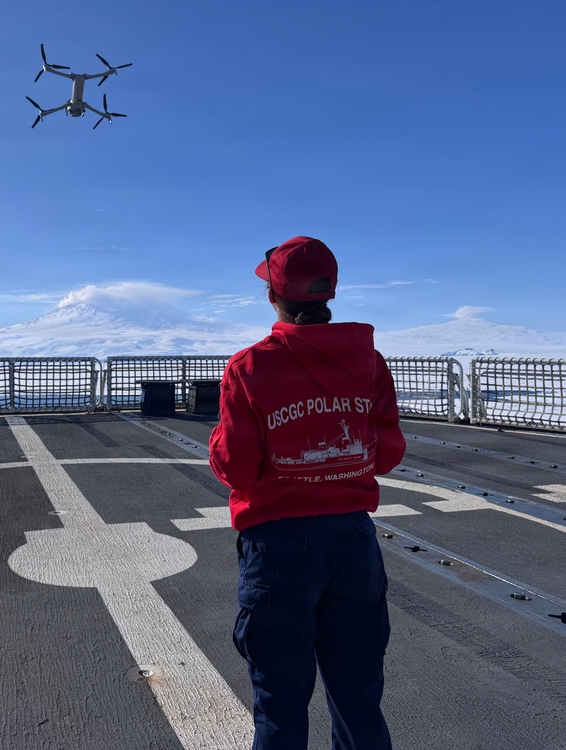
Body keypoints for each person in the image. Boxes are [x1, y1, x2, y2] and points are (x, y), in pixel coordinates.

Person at [209, 236, 406, 750]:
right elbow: (385, 456)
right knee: (360, 703)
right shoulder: (370, 361)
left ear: (274, 295)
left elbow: (238, 469)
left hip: (277, 550)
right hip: (354, 544)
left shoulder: (250, 367)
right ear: (329, 292)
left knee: (279, 708)